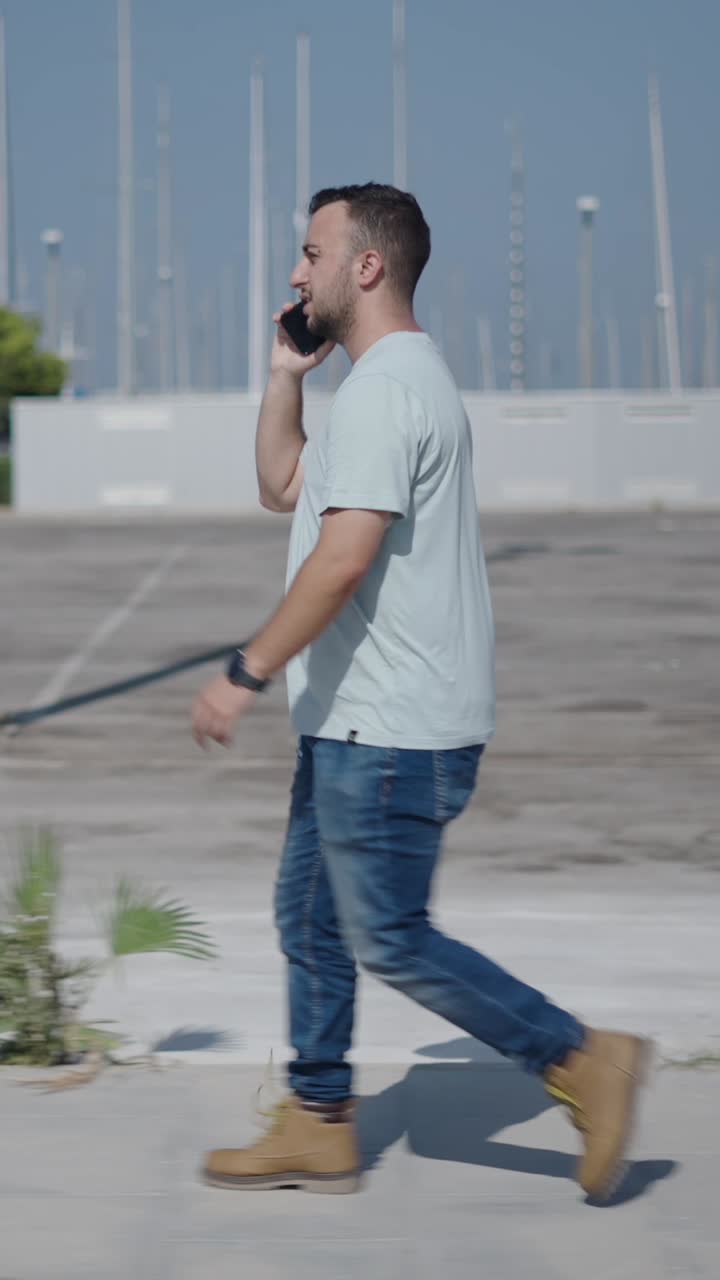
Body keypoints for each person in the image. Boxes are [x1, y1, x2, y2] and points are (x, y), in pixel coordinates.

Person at [191, 183, 650, 1201]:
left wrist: (245, 669)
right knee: (311, 919)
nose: (296, 273)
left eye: (313, 253)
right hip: (356, 722)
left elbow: (343, 558)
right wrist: (284, 376)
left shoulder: (389, 392)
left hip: (389, 730)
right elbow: (281, 486)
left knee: (389, 936)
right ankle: (318, 1119)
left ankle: (581, 1057)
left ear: (367, 266)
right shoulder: (377, 388)